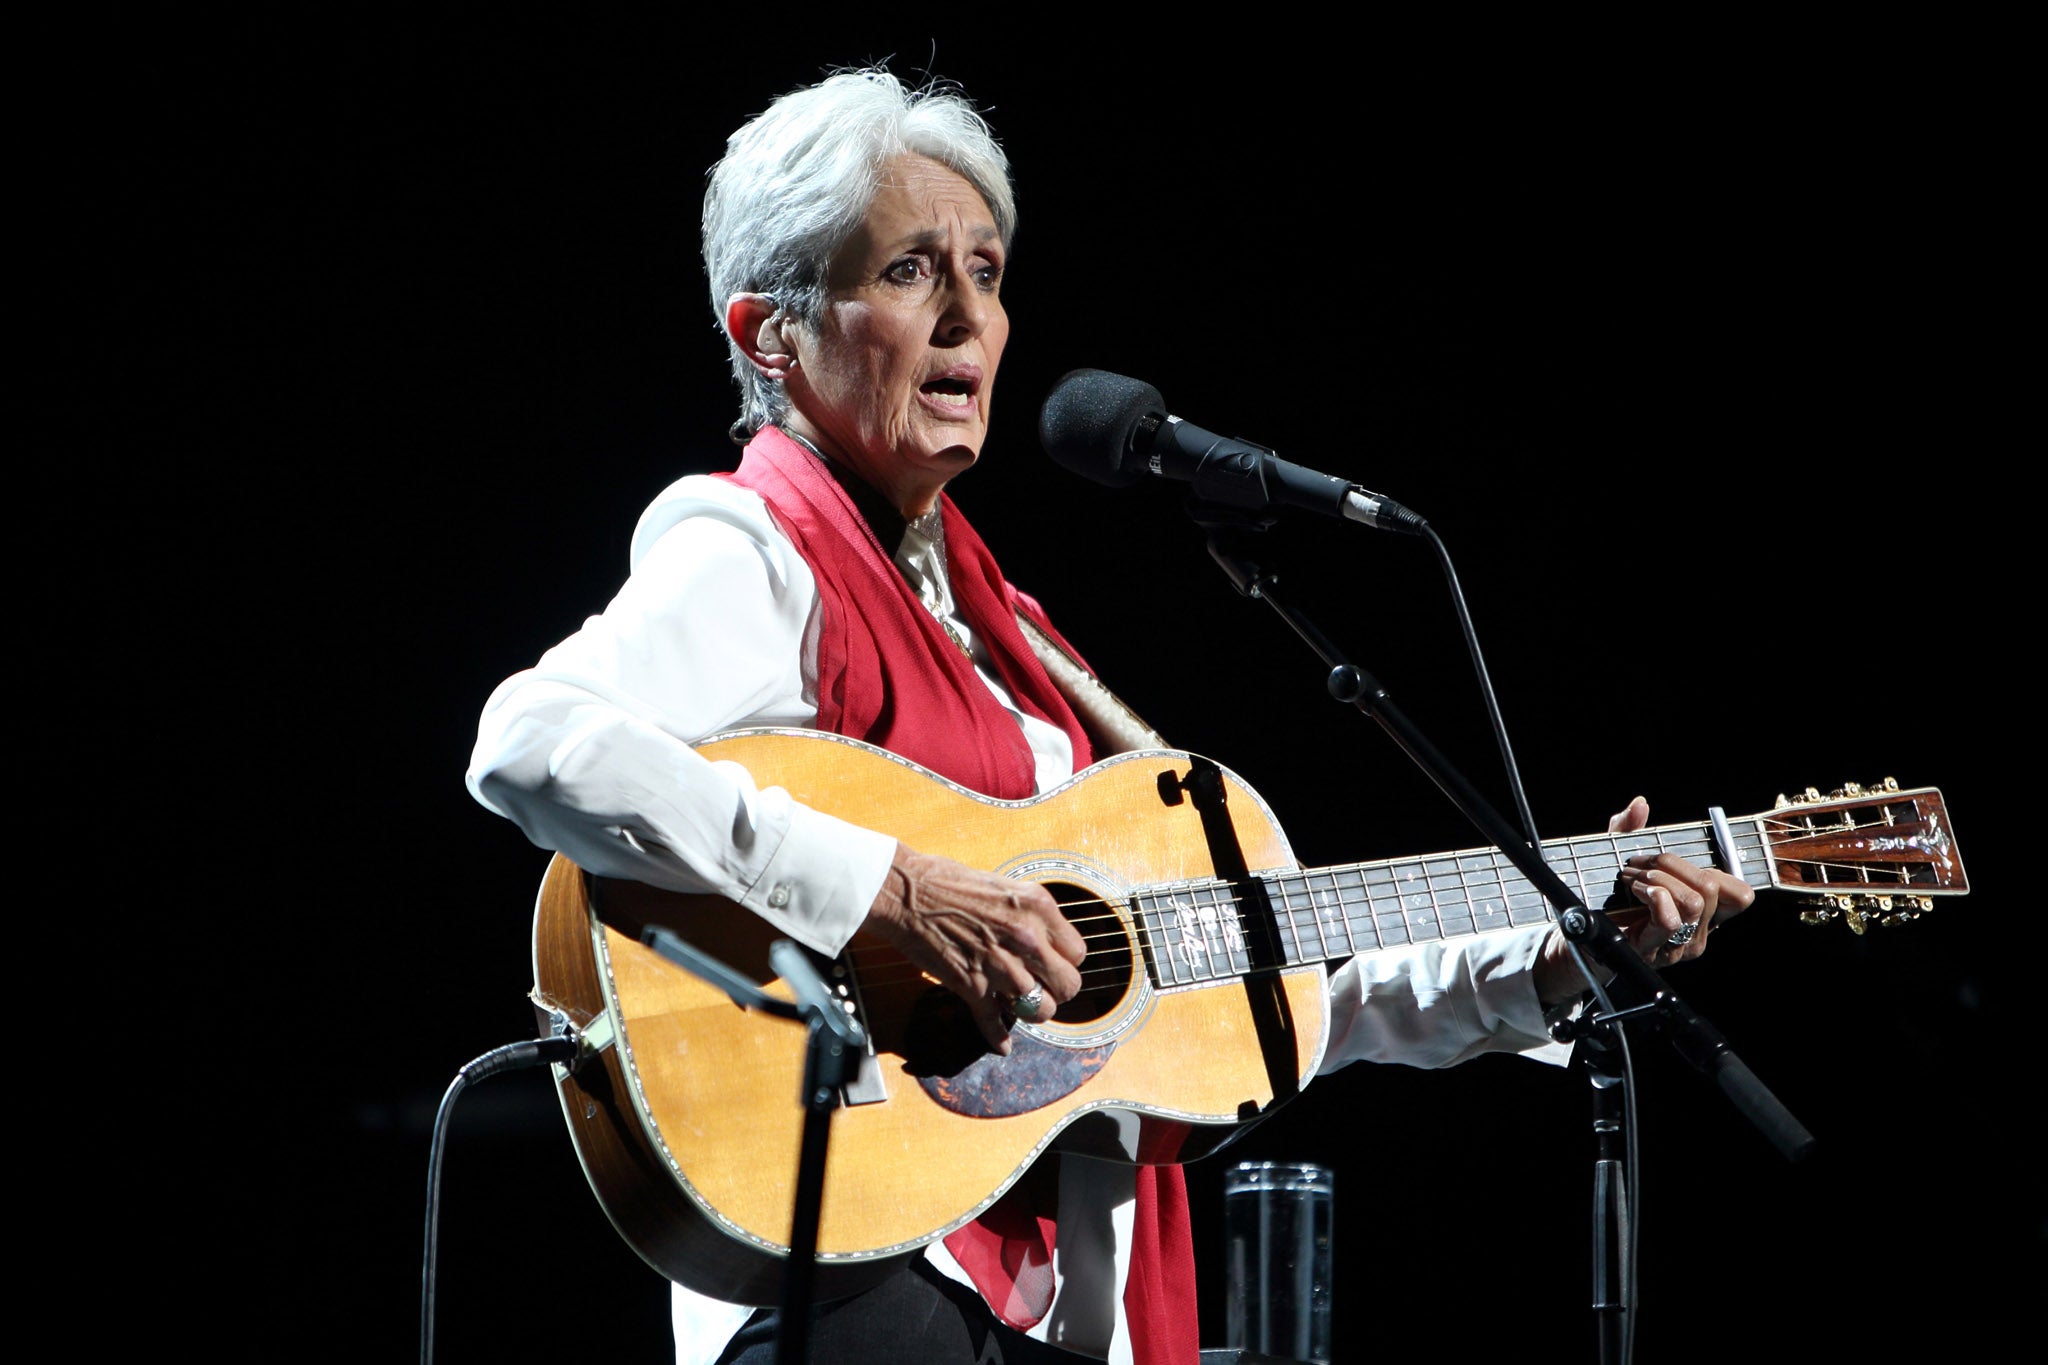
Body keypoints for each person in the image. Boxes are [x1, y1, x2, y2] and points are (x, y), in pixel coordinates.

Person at [465, 67, 1754, 1365]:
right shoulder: (754, 546)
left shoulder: (1010, 636)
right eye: (912, 271)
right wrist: (897, 888)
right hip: (872, 1291)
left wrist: (1549, 958)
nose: (972, 314)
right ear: (770, 335)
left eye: (987, 267)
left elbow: (1248, 971)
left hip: (1072, 1317)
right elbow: (535, 740)